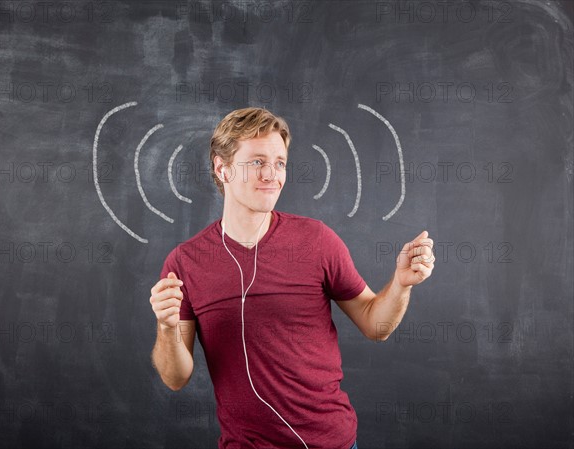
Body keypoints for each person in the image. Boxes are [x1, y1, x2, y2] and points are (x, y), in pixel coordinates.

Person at [150, 107, 435, 449]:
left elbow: (376, 325)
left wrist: (401, 284)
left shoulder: (316, 240)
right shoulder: (185, 262)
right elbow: (175, 377)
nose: (272, 174)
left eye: (280, 162)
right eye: (257, 161)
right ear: (221, 167)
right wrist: (167, 329)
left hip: (334, 443)